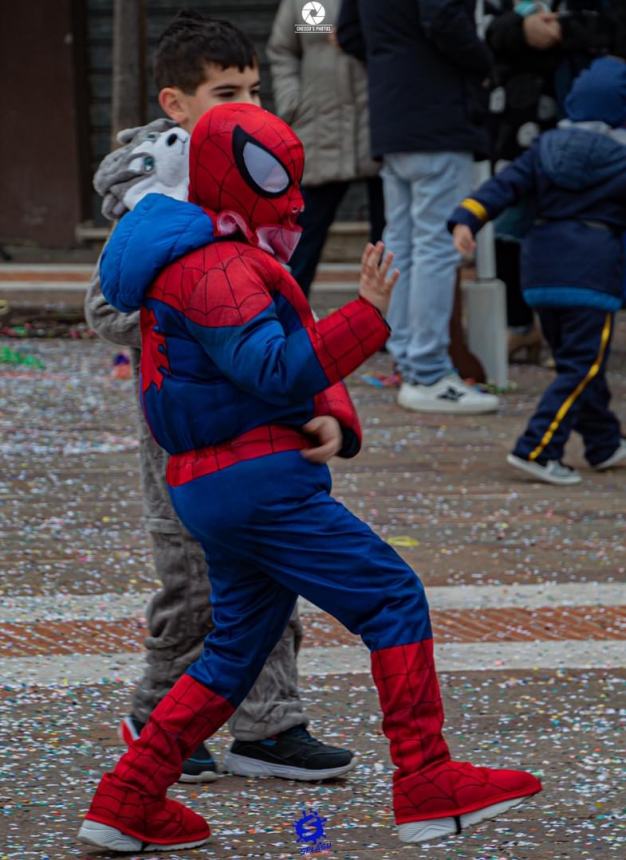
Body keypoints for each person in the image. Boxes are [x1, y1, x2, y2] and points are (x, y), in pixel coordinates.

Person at [78, 102, 541, 853]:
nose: (293, 197)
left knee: (234, 649)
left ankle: (128, 798)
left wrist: (328, 414)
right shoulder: (217, 264)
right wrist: (368, 315)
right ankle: (428, 783)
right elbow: (271, 365)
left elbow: (256, 362)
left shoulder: (201, 252)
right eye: (276, 177)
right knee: (392, 598)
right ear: (236, 177)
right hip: (256, 481)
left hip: (217, 480)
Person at [85, 10, 354, 784]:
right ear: (176, 104)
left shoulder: (260, 183)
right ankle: (158, 710)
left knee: (269, 564)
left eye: (256, 90)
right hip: (183, 427)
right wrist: (198, 313)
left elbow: (282, 312)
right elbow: (105, 309)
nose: (250, 106)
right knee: (195, 580)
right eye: (226, 91)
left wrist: (317, 400)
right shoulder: (158, 201)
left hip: (259, 418)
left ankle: (270, 726)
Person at [450, 57, 626, 485]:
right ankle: (537, 447)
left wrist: (466, 218)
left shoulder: (544, 149)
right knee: (581, 367)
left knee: (578, 362)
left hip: (541, 273)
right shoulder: (621, 157)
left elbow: (500, 187)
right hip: (592, 275)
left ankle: (604, 443)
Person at [337, 0, 500, 414]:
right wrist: (484, 63)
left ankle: (410, 357)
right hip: (438, 113)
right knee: (433, 245)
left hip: (392, 117)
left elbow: (350, 33)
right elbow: (444, 18)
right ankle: (426, 370)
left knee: (404, 243)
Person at [485, 0, 626, 361]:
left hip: (594, 111)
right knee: (512, 222)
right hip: (518, 114)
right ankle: (526, 326)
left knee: (599, 219)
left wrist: (563, 29)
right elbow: (485, 32)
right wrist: (521, 29)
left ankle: (588, 322)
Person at [267, 0, 384, 297]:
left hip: (378, 123)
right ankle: (286, 319)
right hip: (321, 127)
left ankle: (389, 322)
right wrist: (293, 102)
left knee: (389, 237)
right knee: (303, 234)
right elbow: (283, 50)